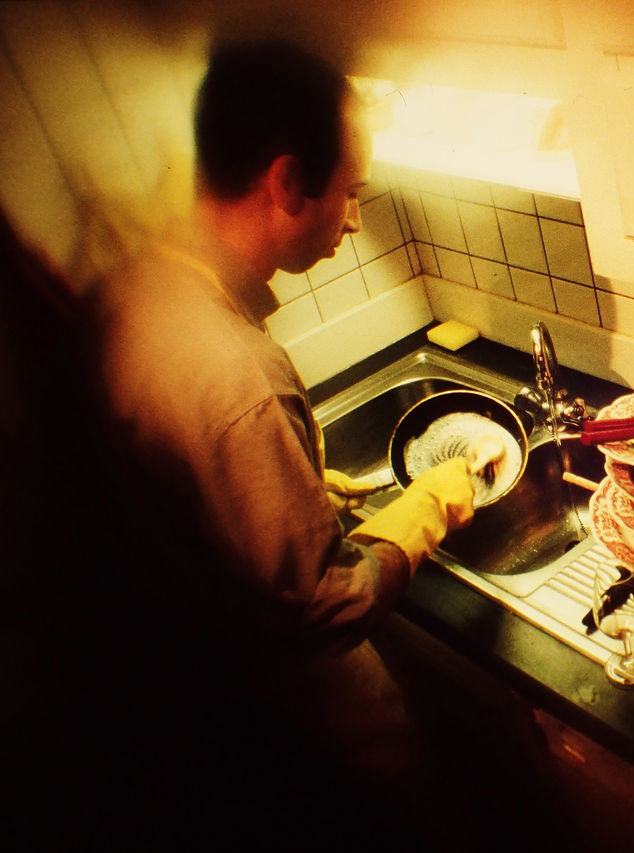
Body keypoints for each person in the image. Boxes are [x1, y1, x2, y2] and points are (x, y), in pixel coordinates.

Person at [86, 37, 492, 838]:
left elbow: (202, 494)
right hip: (279, 711)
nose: (355, 217)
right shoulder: (234, 373)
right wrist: (432, 504)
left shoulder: (139, 283)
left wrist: (297, 484)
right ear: (286, 182)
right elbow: (326, 605)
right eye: (351, 191)